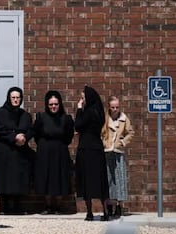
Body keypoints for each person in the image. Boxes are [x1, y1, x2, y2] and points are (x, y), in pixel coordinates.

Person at [0, 86, 33, 215]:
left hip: (20, 151)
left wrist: (25, 137)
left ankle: (17, 206)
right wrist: (14, 137)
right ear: (9, 98)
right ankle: (5, 206)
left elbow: (31, 129)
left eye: (18, 97)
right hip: (5, 150)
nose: (15, 100)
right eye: (13, 97)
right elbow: (0, 129)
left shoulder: (25, 115)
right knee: (5, 178)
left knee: (18, 178)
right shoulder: (0, 113)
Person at [33, 90, 75, 215]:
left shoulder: (66, 119)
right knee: (46, 178)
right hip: (45, 151)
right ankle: (47, 206)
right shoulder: (41, 117)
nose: (53, 107)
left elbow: (69, 136)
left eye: (56, 104)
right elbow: (36, 134)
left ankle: (57, 206)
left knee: (59, 178)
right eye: (51, 104)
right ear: (47, 105)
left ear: (60, 104)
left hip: (60, 151)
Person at [75, 85, 110, 221]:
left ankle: (89, 212)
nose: (82, 100)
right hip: (97, 148)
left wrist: (79, 109)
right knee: (100, 179)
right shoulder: (99, 112)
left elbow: (78, 124)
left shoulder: (88, 112)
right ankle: (105, 212)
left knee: (86, 179)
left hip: (86, 148)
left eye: (83, 98)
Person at [101, 96, 135, 219]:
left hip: (118, 152)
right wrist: (104, 142)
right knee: (108, 179)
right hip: (106, 152)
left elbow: (130, 132)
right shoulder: (104, 119)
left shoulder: (123, 118)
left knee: (120, 179)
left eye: (117, 107)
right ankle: (109, 205)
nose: (115, 109)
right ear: (109, 107)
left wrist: (123, 142)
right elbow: (101, 133)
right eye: (113, 107)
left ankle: (119, 206)